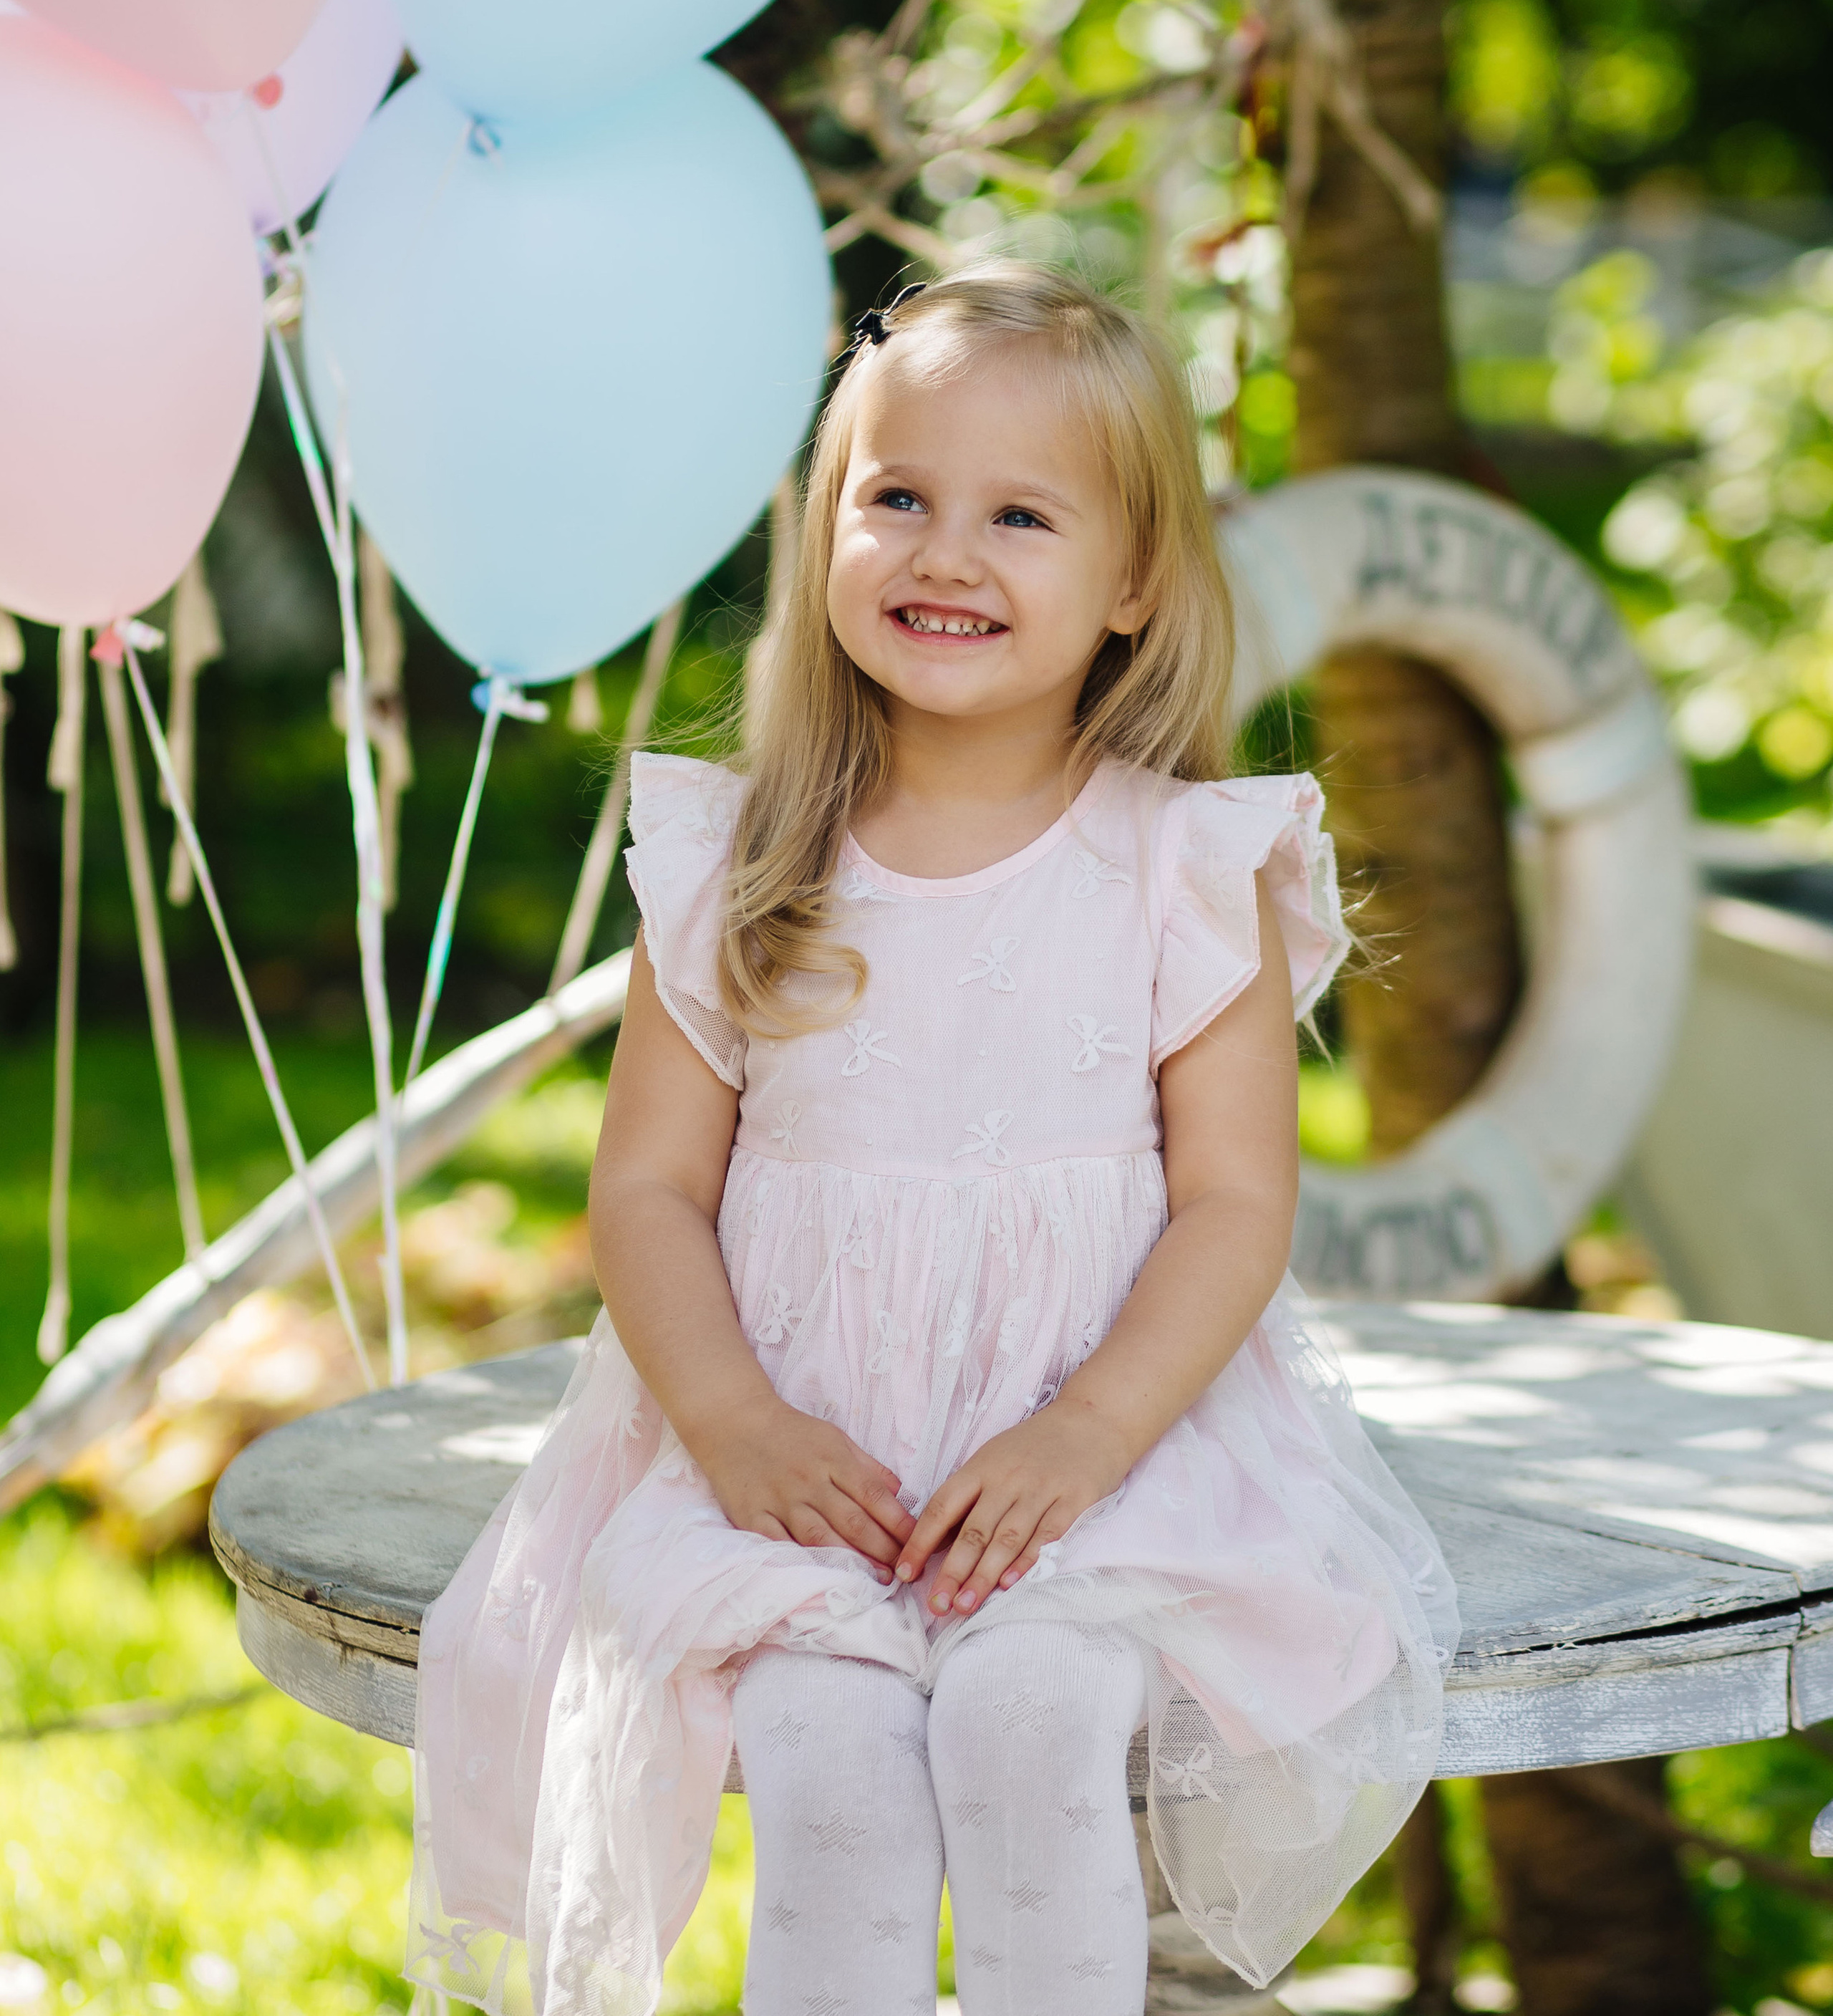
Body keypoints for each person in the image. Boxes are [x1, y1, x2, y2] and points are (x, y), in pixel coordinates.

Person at [408, 263, 1457, 2016]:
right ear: (826, 528)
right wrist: (734, 1423)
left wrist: (1085, 1435)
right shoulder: (745, 859)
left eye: (1018, 515)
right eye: (893, 498)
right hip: (796, 1466)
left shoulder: (1181, 869)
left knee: (1027, 1720)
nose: (943, 553)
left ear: (1131, 584)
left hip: (1105, 1461)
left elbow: (1232, 1203)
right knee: (822, 1757)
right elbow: (650, 1189)